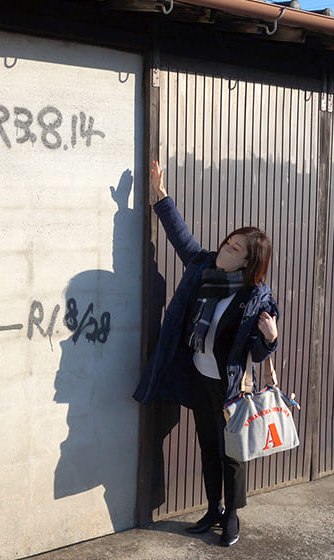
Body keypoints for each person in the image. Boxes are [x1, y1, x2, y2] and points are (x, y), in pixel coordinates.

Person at [133, 160, 279, 547]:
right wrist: (161, 196)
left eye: (234, 248)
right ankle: (213, 508)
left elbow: (257, 353)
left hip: (229, 387)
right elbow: (182, 239)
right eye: (227, 242)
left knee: (232, 452)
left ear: (248, 261)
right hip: (200, 378)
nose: (225, 249)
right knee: (208, 445)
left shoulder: (255, 298)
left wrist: (270, 338)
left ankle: (232, 515)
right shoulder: (206, 271)